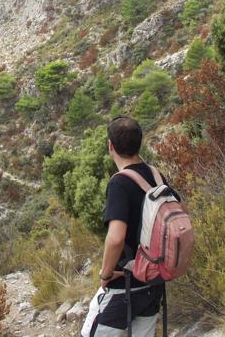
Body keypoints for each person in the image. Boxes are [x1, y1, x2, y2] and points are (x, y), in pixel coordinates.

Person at [80, 116, 174, 337]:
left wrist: (105, 275)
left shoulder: (119, 183)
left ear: (110, 146)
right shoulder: (156, 175)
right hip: (154, 282)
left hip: (125, 286)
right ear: (140, 142)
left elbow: (115, 238)